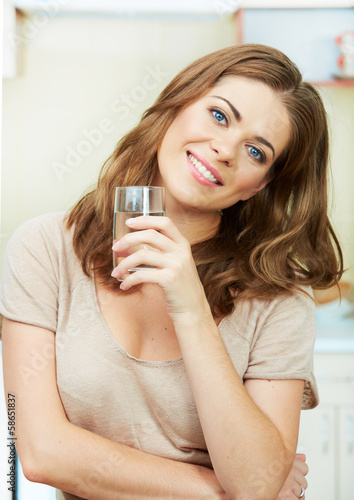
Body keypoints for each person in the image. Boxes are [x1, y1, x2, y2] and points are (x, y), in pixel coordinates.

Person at [1, 43, 343, 500]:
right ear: (178, 105)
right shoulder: (44, 249)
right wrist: (223, 492)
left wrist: (191, 306)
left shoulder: (278, 303)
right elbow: (42, 453)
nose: (224, 149)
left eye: (256, 152)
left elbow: (254, 481)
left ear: (259, 186)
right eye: (220, 116)